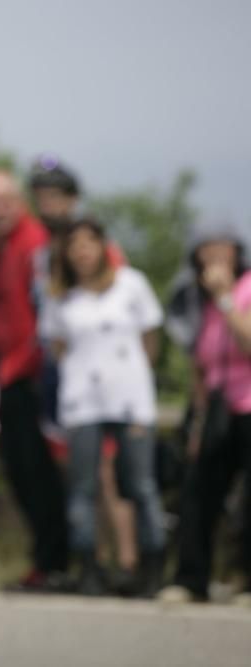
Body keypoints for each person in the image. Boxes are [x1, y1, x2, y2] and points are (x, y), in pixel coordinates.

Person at [38, 219, 167, 596]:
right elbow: (57, 349)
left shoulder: (132, 284)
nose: (82, 251)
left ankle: (152, 565)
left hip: (130, 399)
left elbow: (150, 340)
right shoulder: (60, 296)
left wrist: (129, 374)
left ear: (103, 246)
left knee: (139, 484)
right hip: (83, 402)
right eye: (74, 244)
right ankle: (90, 568)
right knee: (83, 487)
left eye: (89, 243)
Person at [28, 158, 139, 589]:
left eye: (55, 197)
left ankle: (126, 564)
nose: (47, 205)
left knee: (110, 473)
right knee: (75, 472)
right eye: (41, 197)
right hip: (60, 373)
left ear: (72, 200)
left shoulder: (98, 247)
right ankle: (89, 562)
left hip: (104, 375)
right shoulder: (41, 253)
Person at [0, 168, 69, 592]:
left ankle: (57, 562)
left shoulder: (35, 243)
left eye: (3, 201)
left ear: (18, 201)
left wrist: (28, 364)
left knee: (41, 473)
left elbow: (43, 316)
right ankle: (44, 560)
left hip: (34, 375)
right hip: (6, 374)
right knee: (20, 473)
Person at [160, 219, 251, 605]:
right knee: (198, 492)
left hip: (249, 404)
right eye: (205, 248)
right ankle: (191, 579)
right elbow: (202, 363)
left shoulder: (239, 290)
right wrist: (196, 422)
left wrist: (227, 297)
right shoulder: (198, 299)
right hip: (216, 409)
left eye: (221, 245)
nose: (213, 254)